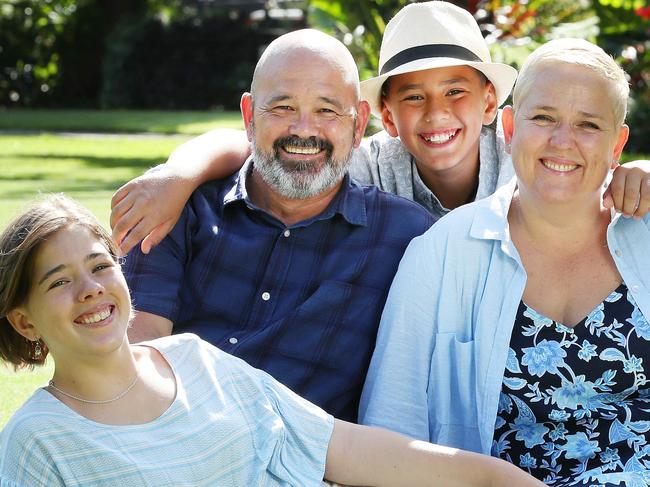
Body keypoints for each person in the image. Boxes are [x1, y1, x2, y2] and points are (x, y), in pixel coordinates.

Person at [0, 195, 546, 487]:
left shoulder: (194, 360)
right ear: (24, 322)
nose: (91, 290)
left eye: (99, 266)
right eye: (59, 282)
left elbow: (345, 448)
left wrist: (492, 478)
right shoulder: (40, 441)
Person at [109, 1, 650, 256]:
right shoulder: (371, 164)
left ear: (492, 104)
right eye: (413, 97)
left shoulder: (526, 156)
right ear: (386, 117)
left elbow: (589, 167)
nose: (436, 115)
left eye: (456, 92)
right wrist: (178, 175)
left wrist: (642, 172)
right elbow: (248, 145)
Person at [359, 38, 650, 485]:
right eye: (543, 118)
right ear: (511, 127)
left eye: (588, 125)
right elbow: (393, 421)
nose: (562, 141)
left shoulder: (645, 232)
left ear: (618, 144)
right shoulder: (443, 251)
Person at [120, 29, 434, 423]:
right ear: (249, 117)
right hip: (176, 441)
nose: (304, 130)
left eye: (327, 110)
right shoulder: (179, 211)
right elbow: (135, 352)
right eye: (283, 107)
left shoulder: (405, 237)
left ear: (358, 125)